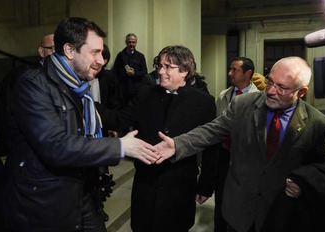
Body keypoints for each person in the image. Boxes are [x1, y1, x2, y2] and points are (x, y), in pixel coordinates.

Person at [0, 17, 158, 232]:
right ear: (69, 50)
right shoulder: (33, 86)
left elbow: (108, 121)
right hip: (43, 202)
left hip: (81, 192)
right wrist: (119, 147)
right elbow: (55, 146)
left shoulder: (78, 89)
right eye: (95, 52)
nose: (102, 61)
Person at [155, 56, 325, 232]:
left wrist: (302, 184)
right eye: (270, 82)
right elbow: (212, 130)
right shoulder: (243, 104)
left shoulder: (318, 123)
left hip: (281, 214)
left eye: (281, 88)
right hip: (239, 212)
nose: (271, 91)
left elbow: (321, 168)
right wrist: (178, 145)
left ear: (301, 92)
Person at [97, 45, 218, 232]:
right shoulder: (146, 94)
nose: (160, 71)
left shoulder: (204, 102)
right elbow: (118, 119)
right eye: (159, 65)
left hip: (180, 188)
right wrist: (87, 103)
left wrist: (206, 185)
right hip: (146, 186)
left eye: (168, 67)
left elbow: (211, 147)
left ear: (185, 71)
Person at [214, 57, 259, 232]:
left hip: (244, 159)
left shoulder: (258, 98)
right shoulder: (224, 95)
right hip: (224, 154)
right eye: (230, 69)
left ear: (248, 73)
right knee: (221, 196)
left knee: (241, 200)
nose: (229, 73)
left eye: (234, 70)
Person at [111, 33, 148, 104]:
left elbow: (145, 72)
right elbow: (115, 71)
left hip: (135, 90)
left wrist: (134, 73)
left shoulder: (140, 56)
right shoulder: (120, 55)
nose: (131, 44)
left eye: (133, 42)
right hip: (122, 90)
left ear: (136, 43)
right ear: (126, 42)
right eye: (129, 42)